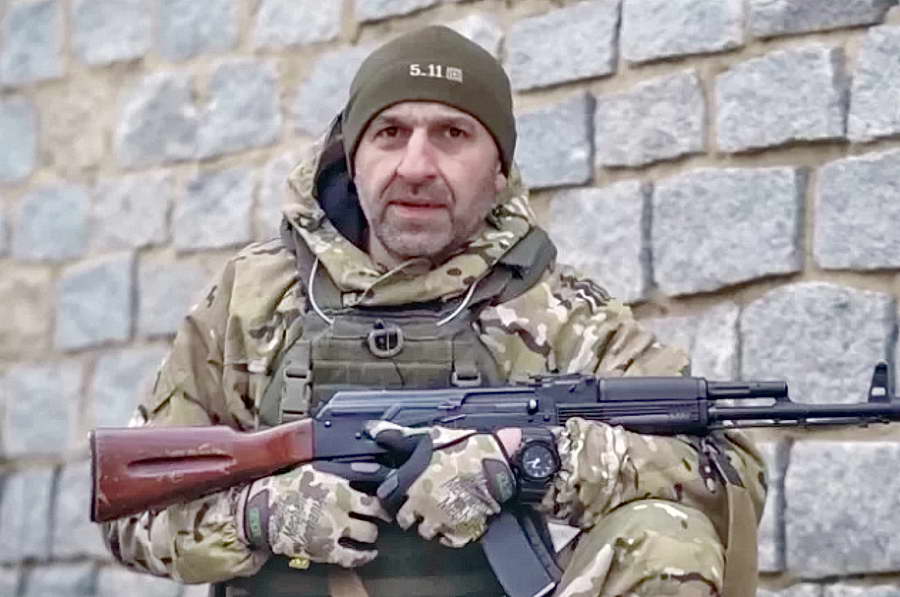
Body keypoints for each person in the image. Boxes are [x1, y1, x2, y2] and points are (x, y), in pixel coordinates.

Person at [101, 26, 766, 597]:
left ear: (498, 169)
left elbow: (728, 471)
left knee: (666, 538)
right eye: (390, 133)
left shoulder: (558, 313)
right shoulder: (254, 299)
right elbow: (127, 510)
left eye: (453, 134)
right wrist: (257, 517)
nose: (416, 165)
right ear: (353, 157)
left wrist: (532, 460)